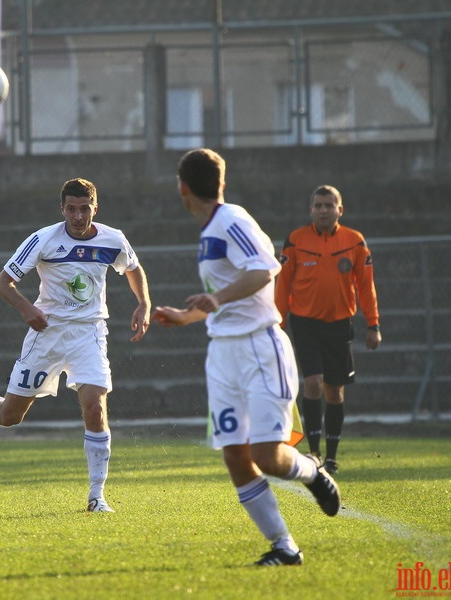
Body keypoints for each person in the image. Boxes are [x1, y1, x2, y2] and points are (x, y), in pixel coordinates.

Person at [151, 148, 340, 567]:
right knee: (235, 454)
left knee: (267, 456)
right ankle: (284, 547)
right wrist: (187, 317)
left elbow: (265, 268)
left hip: (259, 348)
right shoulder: (208, 232)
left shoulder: (232, 219)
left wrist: (214, 298)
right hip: (223, 355)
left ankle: (310, 470)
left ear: (182, 187)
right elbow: (224, 298)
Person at [0, 177, 151, 513]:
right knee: (10, 416)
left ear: (94, 209)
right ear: (63, 209)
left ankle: (97, 495)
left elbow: (133, 268)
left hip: (89, 333)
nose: (77, 215)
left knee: (95, 407)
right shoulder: (43, 239)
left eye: (84, 209)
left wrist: (143, 303)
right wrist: (28, 309)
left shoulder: (113, 239)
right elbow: (3, 283)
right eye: (71, 209)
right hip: (48, 333)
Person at [274, 185, 381, 475]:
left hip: (339, 325)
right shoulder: (296, 240)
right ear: (311, 210)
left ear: (339, 210)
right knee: (313, 383)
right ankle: (313, 452)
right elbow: (283, 284)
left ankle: (331, 456)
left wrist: (373, 323)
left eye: (328, 205)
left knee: (335, 391)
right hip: (305, 324)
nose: (323, 210)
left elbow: (365, 285)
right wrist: (278, 323)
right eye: (318, 205)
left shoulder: (355, 241)